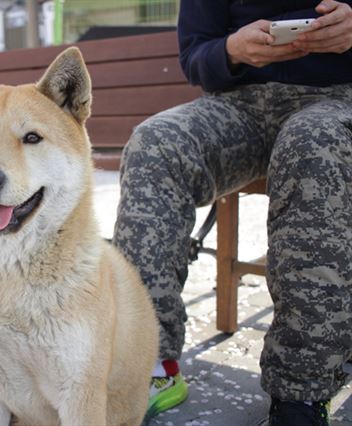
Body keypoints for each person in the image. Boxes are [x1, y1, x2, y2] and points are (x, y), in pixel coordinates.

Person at [112, 1, 352, 424]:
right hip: (238, 107)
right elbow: (195, 57)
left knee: (312, 145)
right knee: (156, 144)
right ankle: (147, 365)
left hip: (336, 100)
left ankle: (302, 393)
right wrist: (231, 51)